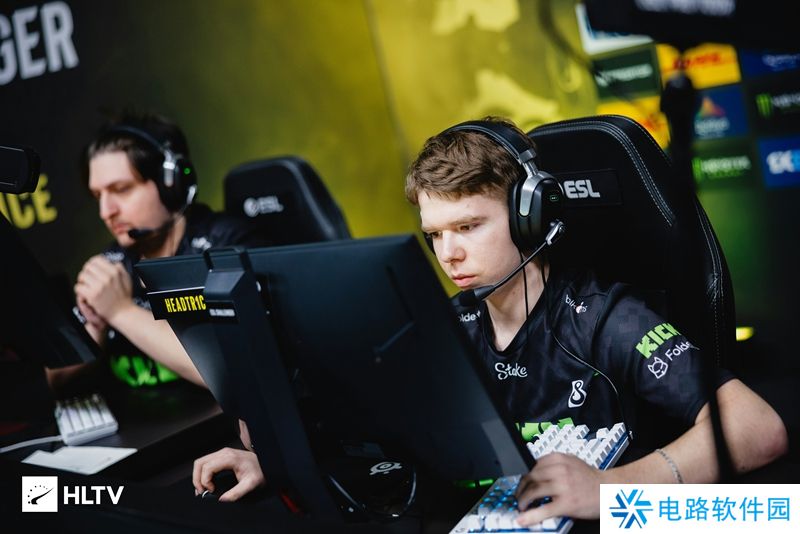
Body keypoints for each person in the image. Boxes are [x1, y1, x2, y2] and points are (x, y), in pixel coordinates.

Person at [404, 117, 789, 525]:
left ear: (527, 217)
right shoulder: (446, 328)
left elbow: (757, 426)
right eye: (435, 234)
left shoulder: (604, 318)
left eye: (467, 227)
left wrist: (609, 487)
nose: (448, 254)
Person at [47, 111, 266, 391]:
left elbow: (235, 370)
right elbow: (54, 378)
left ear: (170, 185)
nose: (106, 211)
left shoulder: (228, 246)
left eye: (121, 189)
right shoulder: (112, 265)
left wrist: (120, 311)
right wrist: (94, 326)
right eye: (98, 196)